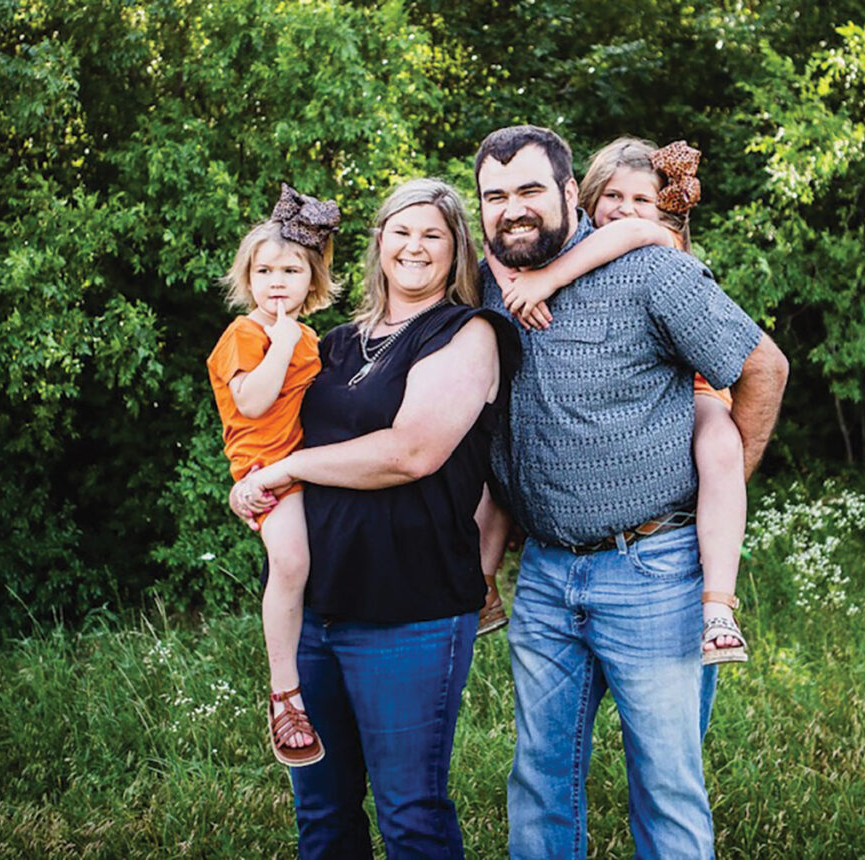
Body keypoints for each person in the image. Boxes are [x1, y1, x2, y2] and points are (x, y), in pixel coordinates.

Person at [475, 125, 788, 859]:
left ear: (565, 193)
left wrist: (716, 492)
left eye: (528, 191)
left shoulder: (651, 267)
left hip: (652, 573)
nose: (512, 209)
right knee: (540, 778)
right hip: (547, 577)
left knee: (666, 784)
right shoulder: (491, 281)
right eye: (494, 196)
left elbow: (762, 368)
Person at [228, 178, 520, 859]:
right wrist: (253, 486)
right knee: (323, 815)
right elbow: (267, 432)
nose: (414, 246)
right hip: (318, 609)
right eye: (402, 231)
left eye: (434, 235)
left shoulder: (469, 333)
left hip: (410, 610)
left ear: (457, 254)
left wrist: (287, 471)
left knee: (410, 815)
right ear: (378, 241)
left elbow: (412, 452)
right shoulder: (329, 343)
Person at [488, 137, 750, 664]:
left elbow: (630, 231)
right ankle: (480, 587)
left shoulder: (651, 248)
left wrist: (545, 278)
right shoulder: (553, 248)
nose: (625, 209)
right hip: (552, 559)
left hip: (693, 388)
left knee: (720, 446)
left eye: (641, 199)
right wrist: (511, 277)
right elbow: (492, 246)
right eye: (612, 196)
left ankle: (719, 604)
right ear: (583, 199)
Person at [207, 183, 340, 767]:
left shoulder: (310, 337)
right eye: (265, 271)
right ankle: (284, 693)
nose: (277, 281)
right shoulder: (249, 334)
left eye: (291, 269)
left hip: (310, 465)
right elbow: (255, 403)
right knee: (290, 564)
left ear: (313, 280)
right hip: (268, 472)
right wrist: (282, 343)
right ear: (248, 278)